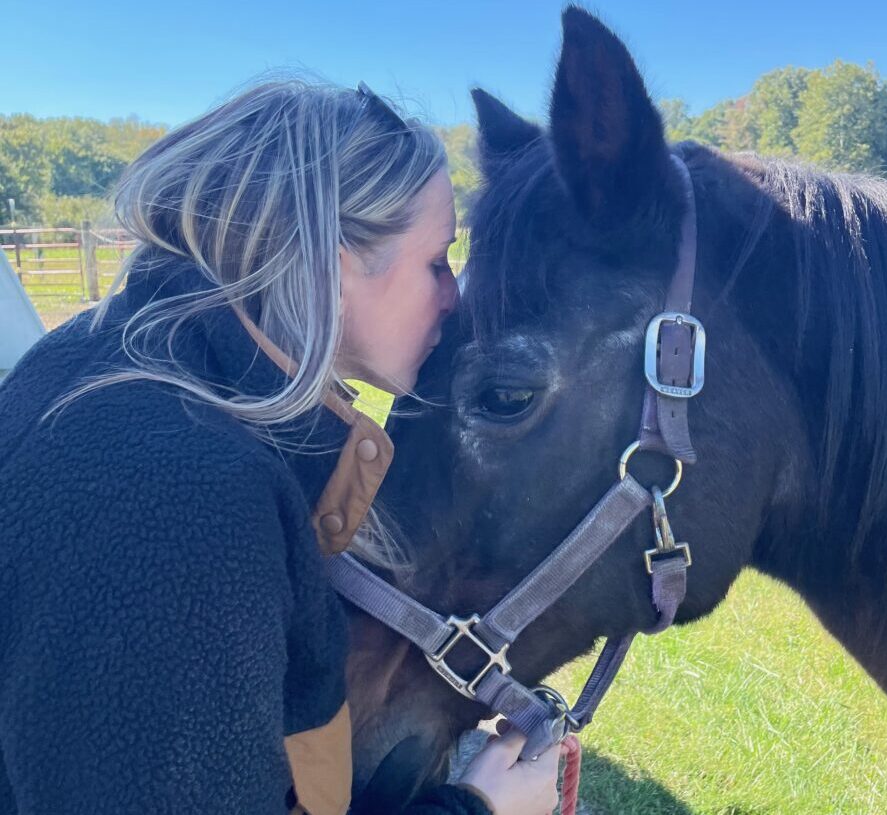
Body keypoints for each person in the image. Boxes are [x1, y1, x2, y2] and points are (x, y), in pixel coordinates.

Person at [0, 79, 561, 815]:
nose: (454, 296)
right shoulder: (187, 500)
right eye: (436, 260)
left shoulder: (105, 359)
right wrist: (479, 810)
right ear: (330, 265)